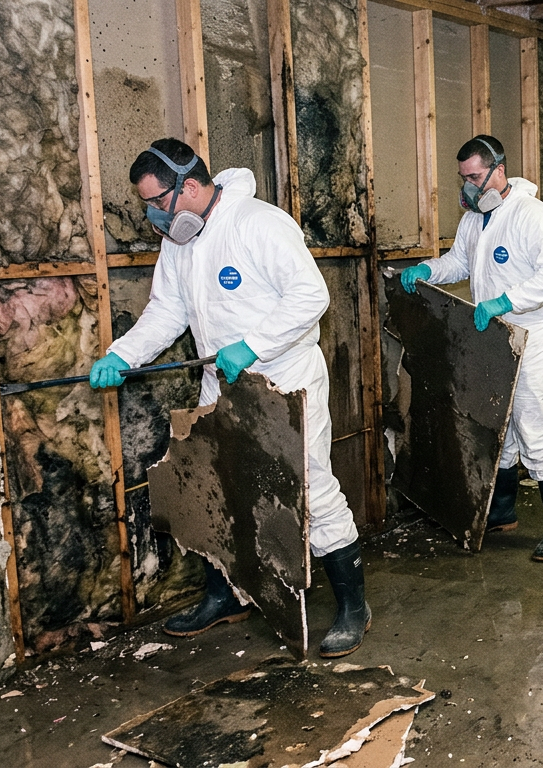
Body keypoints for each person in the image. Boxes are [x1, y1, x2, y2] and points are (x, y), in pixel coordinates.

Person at [88, 138, 369, 658]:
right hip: (222, 381)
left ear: (189, 187)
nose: (152, 215)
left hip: (284, 380)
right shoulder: (180, 241)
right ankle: (228, 595)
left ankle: (354, 606)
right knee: (219, 487)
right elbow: (166, 311)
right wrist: (123, 355)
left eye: (156, 202)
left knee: (310, 488)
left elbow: (312, 295)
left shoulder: (258, 223)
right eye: (146, 205)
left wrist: (254, 345)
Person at [398, 135, 543, 562]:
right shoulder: (475, 219)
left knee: (534, 429)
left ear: (498, 169)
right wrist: (427, 269)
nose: (469, 187)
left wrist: (505, 302)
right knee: (501, 427)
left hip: (531, 335)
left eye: (475, 177)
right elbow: (459, 262)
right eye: (464, 178)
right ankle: (504, 510)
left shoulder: (533, 216)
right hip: (493, 338)